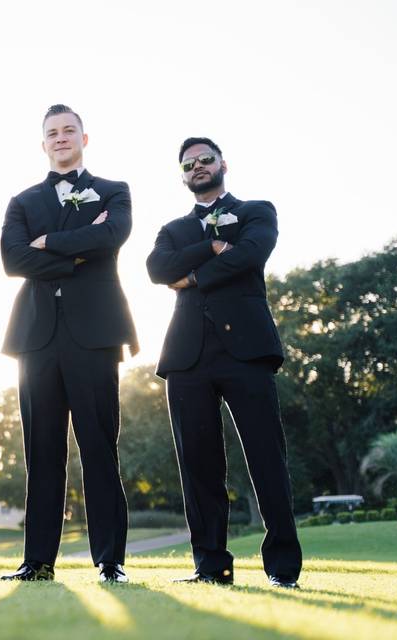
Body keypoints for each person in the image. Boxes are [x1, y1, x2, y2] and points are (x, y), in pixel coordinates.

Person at [146, 137, 303, 589]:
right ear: (183, 174)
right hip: (186, 356)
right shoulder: (173, 228)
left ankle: (282, 568)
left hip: (248, 350)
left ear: (222, 164)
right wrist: (212, 248)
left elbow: (250, 255)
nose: (197, 166)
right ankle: (211, 566)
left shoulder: (257, 211)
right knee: (199, 465)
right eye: (189, 163)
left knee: (267, 458)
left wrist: (191, 276)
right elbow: (157, 270)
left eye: (205, 159)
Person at [0, 105, 138, 583]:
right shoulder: (21, 201)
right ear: (43, 144)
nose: (61, 138)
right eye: (52, 133)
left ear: (84, 137)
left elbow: (114, 236)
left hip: (95, 334)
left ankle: (110, 561)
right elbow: (13, 261)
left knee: (100, 446)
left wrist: (46, 244)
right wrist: (81, 248)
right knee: (41, 452)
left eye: (68, 131)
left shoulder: (113, 191)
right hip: (36, 336)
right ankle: (37, 561)